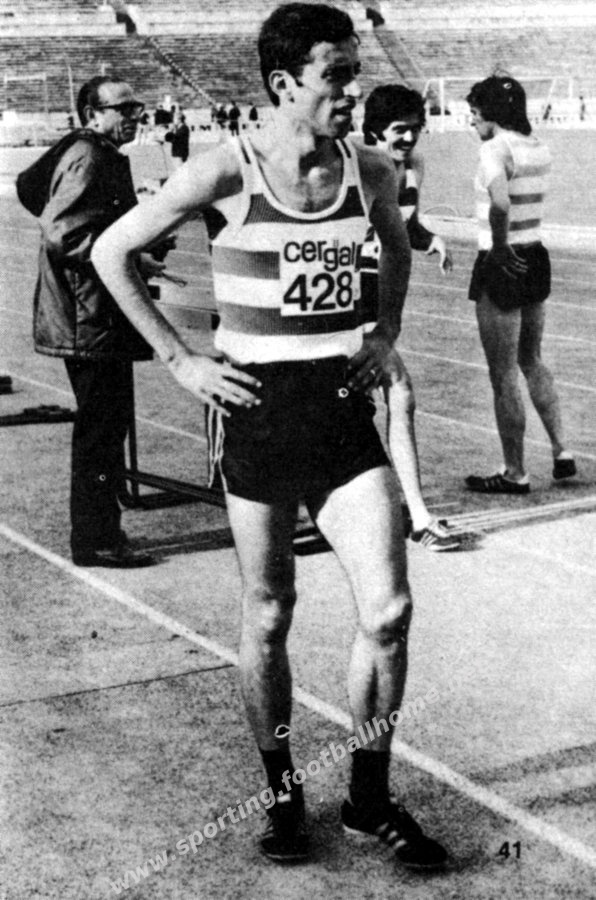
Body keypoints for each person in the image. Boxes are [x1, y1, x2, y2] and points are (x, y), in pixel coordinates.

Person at [92, 2, 448, 871]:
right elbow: (110, 252)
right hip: (258, 411)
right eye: (337, 75)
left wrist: (386, 331)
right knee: (269, 611)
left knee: (390, 611)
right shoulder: (225, 169)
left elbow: (397, 246)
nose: (352, 90)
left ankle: (367, 798)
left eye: (355, 71)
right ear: (286, 83)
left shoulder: (368, 168)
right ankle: (283, 792)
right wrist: (181, 360)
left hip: (339, 408)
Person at [16, 75, 171, 567]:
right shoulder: (89, 156)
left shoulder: (91, 151)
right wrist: (130, 258)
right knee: (101, 432)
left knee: (103, 427)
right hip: (88, 317)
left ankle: (100, 531)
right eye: (123, 108)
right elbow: (63, 236)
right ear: (93, 115)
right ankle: (96, 539)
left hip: (91, 313)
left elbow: (36, 195)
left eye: (136, 106)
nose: (135, 115)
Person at [360, 84, 467, 551]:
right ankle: (416, 516)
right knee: (397, 391)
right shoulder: (359, 165)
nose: (408, 138)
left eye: (415, 130)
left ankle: (398, 512)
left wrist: (431, 239)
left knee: (375, 397)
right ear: (375, 129)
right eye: (399, 130)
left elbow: (405, 226)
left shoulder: (413, 166)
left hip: (380, 296)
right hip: (348, 291)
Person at [465, 75, 575, 493]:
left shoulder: (495, 148)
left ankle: (515, 471)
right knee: (532, 359)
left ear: (491, 113)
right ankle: (562, 450)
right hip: (535, 256)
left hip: (503, 260)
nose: (472, 122)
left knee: (503, 374)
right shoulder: (538, 146)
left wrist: (497, 246)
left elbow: (500, 201)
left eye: (475, 114)